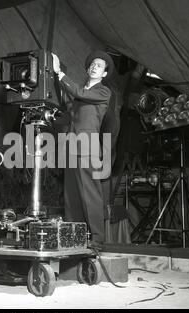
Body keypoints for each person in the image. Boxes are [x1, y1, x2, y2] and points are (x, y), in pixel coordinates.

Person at [52, 50, 114, 247]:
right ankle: (73, 235)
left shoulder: (102, 91)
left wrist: (59, 73)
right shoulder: (80, 95)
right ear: (88, 69)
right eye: (93, 64)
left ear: (104, 74)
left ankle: (97, 237)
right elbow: (69, 105)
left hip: (88, 147)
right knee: (72, 194)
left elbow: (79, 91)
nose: (95, 67)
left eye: (100, 66)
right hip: (71, 146)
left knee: (90, 193)